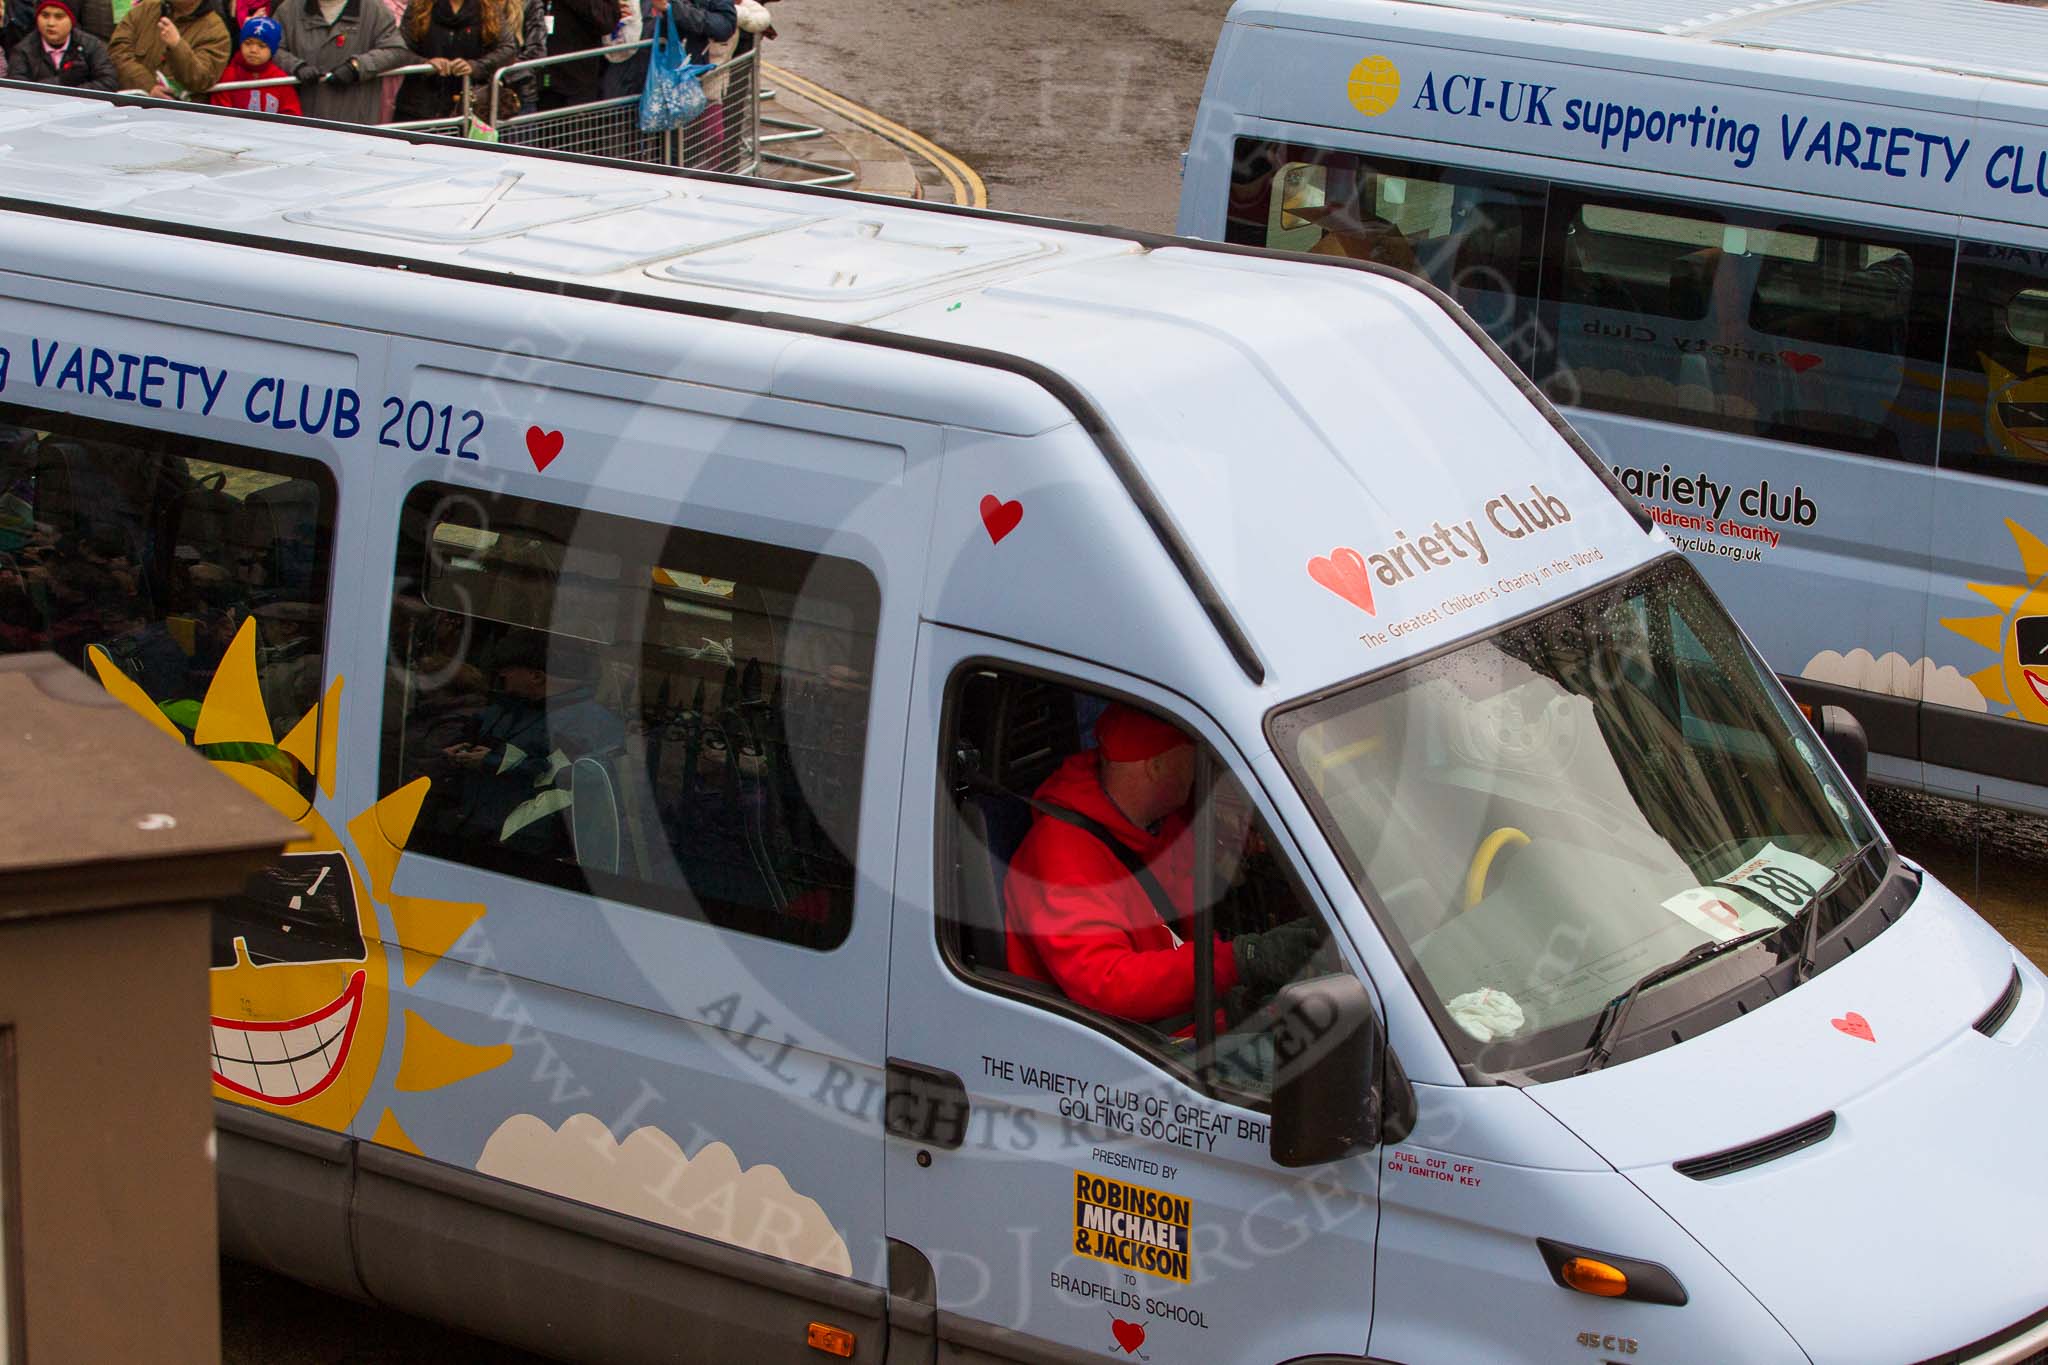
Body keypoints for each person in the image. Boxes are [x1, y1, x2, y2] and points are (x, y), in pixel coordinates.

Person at [1003, 704, 1318, 1028]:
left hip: (1195, 1015)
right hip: (1139, 1039)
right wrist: (1241, 960)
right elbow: (1108, 984)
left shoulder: (1155, 820)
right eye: (1193, 752)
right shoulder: (1061, 856)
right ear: (1156, 766)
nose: (1200, 766)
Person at [440, 632, 625, 860]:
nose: (502, 675)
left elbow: (576, 782)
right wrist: (457, 749)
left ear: (536, 676)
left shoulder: (592, 723)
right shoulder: (511, 707)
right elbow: (473, 732)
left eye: (508, 669)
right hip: (474, 829)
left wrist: (492, 762)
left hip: (533, 845)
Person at [272, 0, 411, 124]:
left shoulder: (373, 9)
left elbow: (397, 50)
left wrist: (357, 67)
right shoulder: (289, 9)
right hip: (303, 118)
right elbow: (272, 48)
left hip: (355, 118)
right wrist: (296, 66)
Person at [393, 0, 518, 122]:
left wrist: (476, 66)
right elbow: (399, 49)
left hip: (472, 107)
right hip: (419, 106)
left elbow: (508, 49)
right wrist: (424, 63)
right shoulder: (418, 7)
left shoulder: (488, 8)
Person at [107, 0, 229, 96]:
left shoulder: (216, 31)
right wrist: (148, 86)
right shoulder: (144, 9)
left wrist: (177, 45)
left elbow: (201, 79)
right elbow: (117, 52)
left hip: (181, 114)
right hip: (132, 107)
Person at [6, 0, 118, 87]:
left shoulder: (91, 45)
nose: (50, 23)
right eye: (45, 15)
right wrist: (62, 81)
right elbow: (20, 91)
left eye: (59, 17)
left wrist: (74, 93)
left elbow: (109, 82)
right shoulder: (23, 51)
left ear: (71, 20)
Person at [208, 14, 300, 112]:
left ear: (272, 49)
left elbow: (291, 115)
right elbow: (220, 114)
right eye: (248, 43)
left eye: (262, 46)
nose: (253, 50)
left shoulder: (281, 81)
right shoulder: (228, 75)